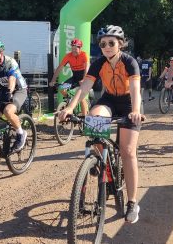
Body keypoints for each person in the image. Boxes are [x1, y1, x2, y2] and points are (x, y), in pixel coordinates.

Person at [58, 25, 143, 224]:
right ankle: (101, 161)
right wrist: (70, 107)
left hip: (130, 102)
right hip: (109, 100)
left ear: (120, 44)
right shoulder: (98, 63)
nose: (107, 47)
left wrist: (136, 111)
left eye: (111, 43)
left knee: (128, 151)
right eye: (103, 43)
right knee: (94, 121)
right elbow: (85, 87)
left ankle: (132, 202)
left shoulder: (129, 62)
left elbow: (135, 88)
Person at [49, 38, 89, 115]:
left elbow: (87, 67)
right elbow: (59, 68)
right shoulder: (68, 56)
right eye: (72, 48)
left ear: (80, 48)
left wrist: (84, 79)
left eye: (75, 48)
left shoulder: (84, 55)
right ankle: (69, 99)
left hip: (84, 77)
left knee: (82, 97)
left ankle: (85, 118)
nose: (73, 50)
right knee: (61, 88)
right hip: (75, 77)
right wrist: (53, 80)